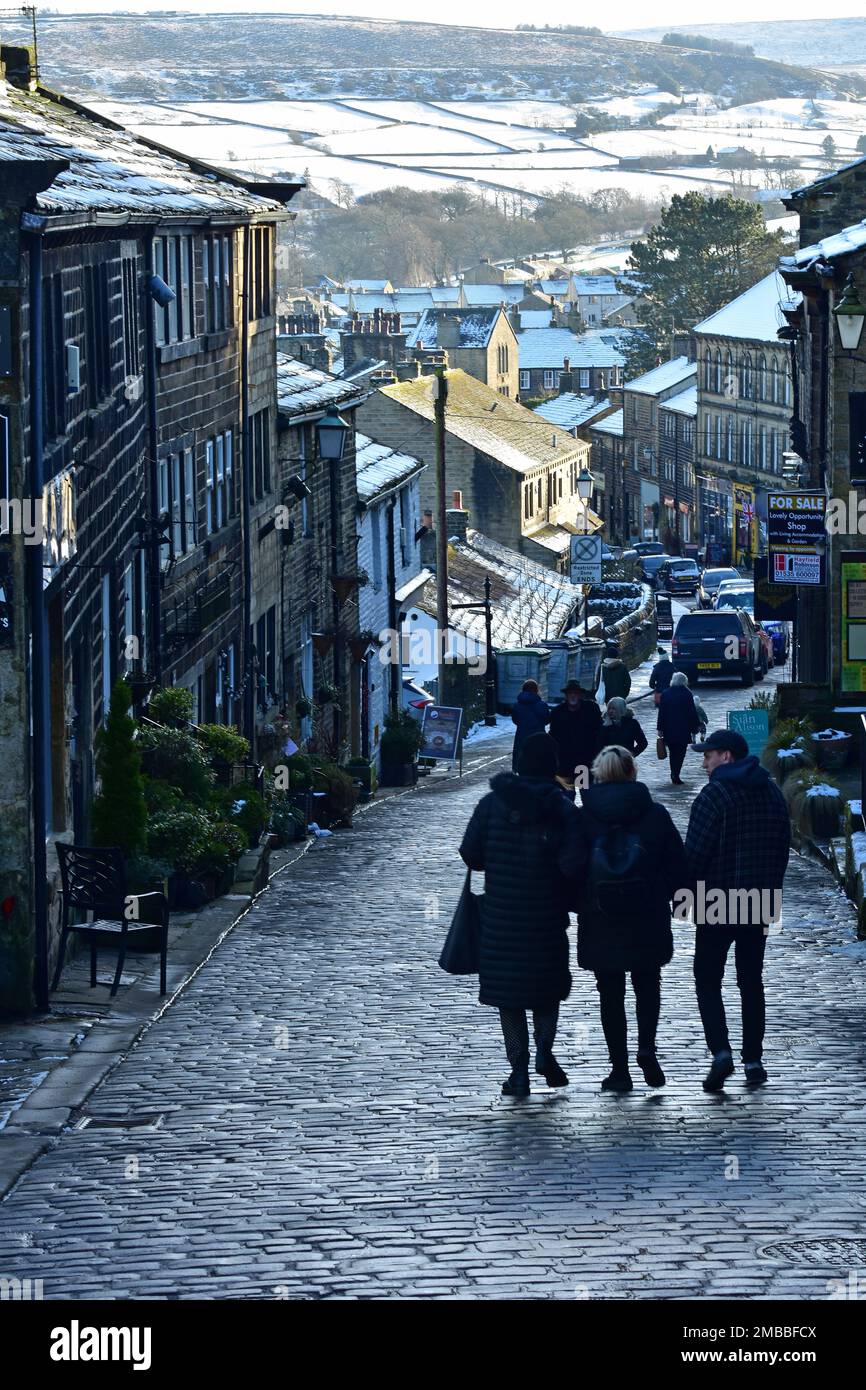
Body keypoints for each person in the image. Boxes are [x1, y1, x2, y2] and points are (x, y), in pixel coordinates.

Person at [459, 732, 580, 1097]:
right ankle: (545, 1049)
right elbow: (574, 865)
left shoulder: (492, 804)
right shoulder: (561, 808)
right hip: (545, 918)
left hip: (501, 920)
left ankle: (519, 1071)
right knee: (546, 991)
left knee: (508, 997)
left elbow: (471, 854)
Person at [571, 744, 687, 1092]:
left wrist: (580, 903)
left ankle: (619, 1069)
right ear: (632, 772)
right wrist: (674, 899)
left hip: (600, 914)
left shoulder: (584, 816)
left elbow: (573, 867)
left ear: (598, 773)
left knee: (610, 991)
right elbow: (678, 864)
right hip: (647, 911)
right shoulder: (655, 814)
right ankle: (647, 1048)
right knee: (647, 984)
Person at [685, 729, 790, 1092]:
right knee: (750, 980)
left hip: (716, 899)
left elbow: (694, 856)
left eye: (708, 755)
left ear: (726, 756)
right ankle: (753, 1059)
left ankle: (721, 1052)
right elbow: (783, 849)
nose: (704, 761)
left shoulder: (714, 795)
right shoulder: (772, 792)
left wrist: (681, 897)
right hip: (759, 900)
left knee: (707, 979)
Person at [549, 679, 602, 798]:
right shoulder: (558, 712)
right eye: (570, 693)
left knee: (587, 794)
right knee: (567, 796)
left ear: (580, 695)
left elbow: (599, 732)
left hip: (584, 762)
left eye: (575, 693)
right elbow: (553, 735)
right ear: (566, 695)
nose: (573, 696)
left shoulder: (590, 710)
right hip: (564, 763)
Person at [657, 670, 700, 786]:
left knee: (672, 752)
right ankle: (676, 774)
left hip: (669, 729)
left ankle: (673, 773)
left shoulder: (666, 693)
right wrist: (695, 726)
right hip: (683, 729)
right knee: (681, 753)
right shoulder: (687, 694)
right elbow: (692, 712)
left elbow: (661, 713)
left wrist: (660, 728)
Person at [510, 678, 550, 773]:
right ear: (536, 690)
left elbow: (515, 720)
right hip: (538, 738)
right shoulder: (542, 705)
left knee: (522, 764)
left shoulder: (517, 705)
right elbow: (547, 720)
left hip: (521, 737)